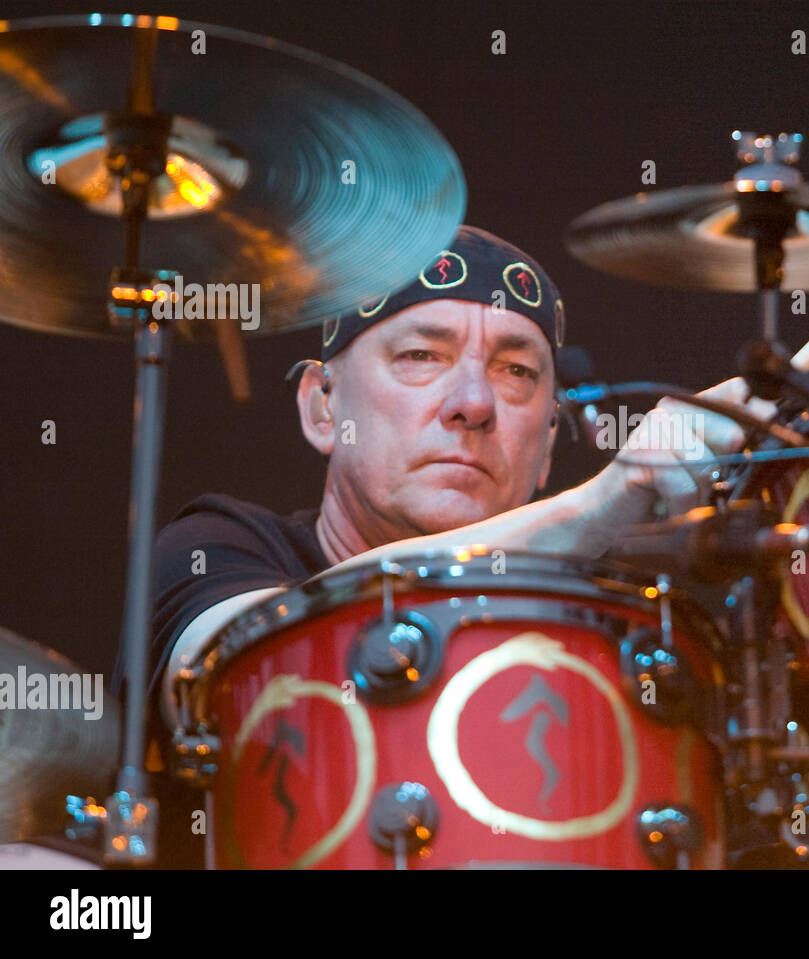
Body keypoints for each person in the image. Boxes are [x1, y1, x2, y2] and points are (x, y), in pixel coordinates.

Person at [132, 225, 769, 865]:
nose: (474, 403)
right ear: (323, 407)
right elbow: (227, 674)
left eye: (516, 371)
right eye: (421, 356)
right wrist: (593, 506)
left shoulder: (633, 636)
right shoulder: (218, 544)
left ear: (549, 441)